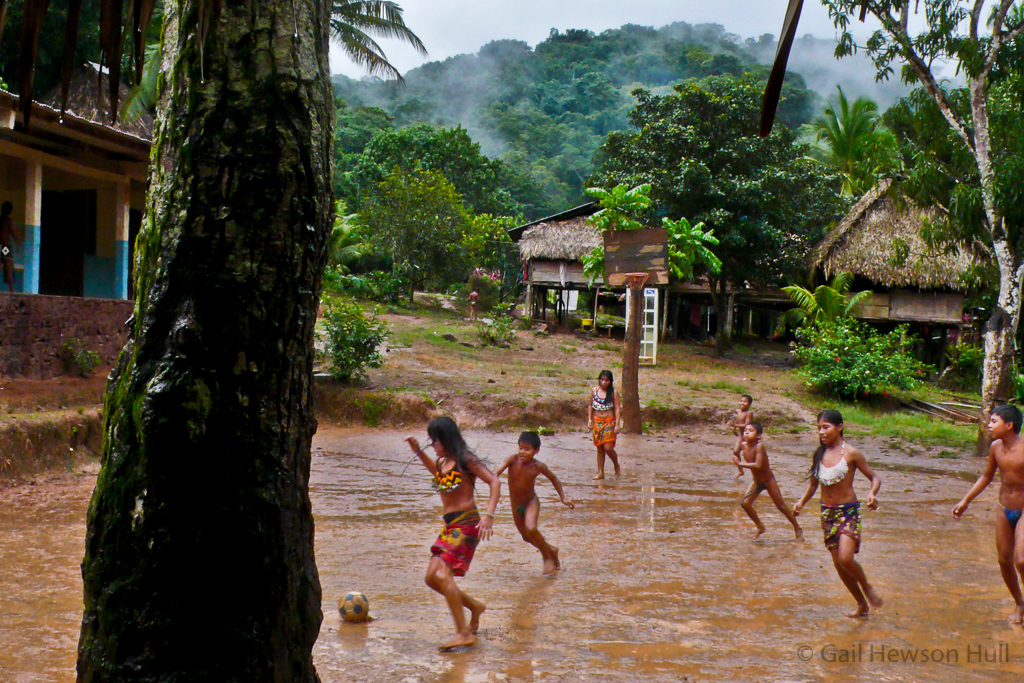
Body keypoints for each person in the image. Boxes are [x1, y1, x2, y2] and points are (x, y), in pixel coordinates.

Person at [405, 416, 500, 651]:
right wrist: (418, 452)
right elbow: (436, 473)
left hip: (467, 524)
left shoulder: (465, 460)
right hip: (450, 526)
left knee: (442, 575)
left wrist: (489, 515)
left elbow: (494, 482)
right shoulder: (442, 462)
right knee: (431, 577)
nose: (432, 445)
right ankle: (474, 606)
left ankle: (462, 633)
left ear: (446, 439)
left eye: (434, 441)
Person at [793, 409, 884, 618]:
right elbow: (813, 485)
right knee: (838, 564)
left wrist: (872, 493)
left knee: (846, 558)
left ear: (840, 427)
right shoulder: (819, 454)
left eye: (826, 427)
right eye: (819, 428)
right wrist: (801, 502)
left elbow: (875, 477)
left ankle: (867, 586)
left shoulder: (851, 453)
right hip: (827, 514)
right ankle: (861, 604)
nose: (821, 432)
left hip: (848, 512)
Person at [953, 404, 1024, 624]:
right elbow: (986, 477)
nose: (989, 425)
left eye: (994, 421)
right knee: (1004, 560)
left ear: (1009, 425)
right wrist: (966, 500)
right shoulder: (995, 448)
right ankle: (1020, 603)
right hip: (1004, 508)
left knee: (1021, 560)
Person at [495, 431, 574, 575]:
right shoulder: (512, 460)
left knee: (531, 528)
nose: (522, 452)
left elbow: (554, 478)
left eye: (527, 449)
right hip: (516, 505)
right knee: (526, 537)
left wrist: (563, 497)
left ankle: (547, 557)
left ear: (536, 451)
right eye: (520, 448)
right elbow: (497, 470)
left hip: (531, 501)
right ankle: (551, 550)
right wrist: (494, 481)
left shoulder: (538, 466)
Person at [732, 422, 803, 541]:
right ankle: (760, 527)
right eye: (745, 431)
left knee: (781, 506)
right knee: (745, 504)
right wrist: (738, 443)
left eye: (751, 431)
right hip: (757, 481)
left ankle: (797, 528)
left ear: (758, 436)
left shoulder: (759, 446)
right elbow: (735, 452)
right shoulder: (743, 445)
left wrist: (740, 463)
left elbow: (758, 465)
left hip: (768, 480)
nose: (747, 432)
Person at [588, 369, 621, 480]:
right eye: (602, 380)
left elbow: (617, 409)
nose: (603, 382)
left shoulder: (614, 393)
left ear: (610, 381)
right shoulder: (594, 391)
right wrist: (590, 419)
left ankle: (616, 465)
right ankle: (600, 472)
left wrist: (617, 424)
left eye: (606, 380)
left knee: (608, 447)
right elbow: (590, 405)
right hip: (597, 422)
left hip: (609, 422)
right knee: (599, 448)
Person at [727, 394, 754, 478]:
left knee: (749, 456)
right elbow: (738, 421)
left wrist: (735, 425)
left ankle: (755, 473)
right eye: (741, 401)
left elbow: (747, 425)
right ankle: (741, 471)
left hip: (748, 436)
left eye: (745, 402)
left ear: (749, 404)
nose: (742, 403)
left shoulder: (749, 413)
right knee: (736, 452)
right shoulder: (739, 411)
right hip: (741, 435)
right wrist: (734, 429)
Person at [0, 201, 20, 293]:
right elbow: (14, 234)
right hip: (5, 247)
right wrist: (19, 239)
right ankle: (12, 291)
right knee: (8, 268)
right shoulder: (8, 221)